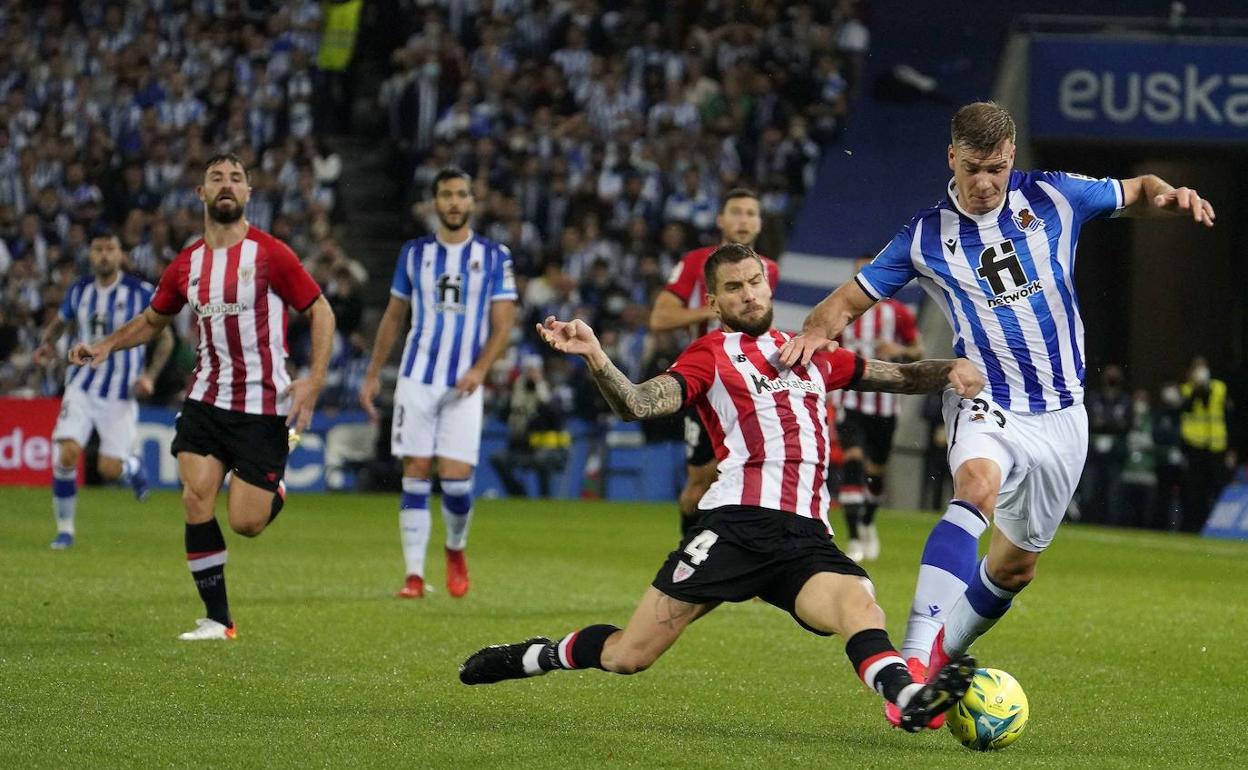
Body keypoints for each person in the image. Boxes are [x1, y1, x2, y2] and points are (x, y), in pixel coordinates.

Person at [779, 101, 1215, 729]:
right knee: (975, 487)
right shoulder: (925, 236)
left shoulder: (1057, 196)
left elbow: (1139, 189)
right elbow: (845, 302)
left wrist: (1171, 194)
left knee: (1015, 566)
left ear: (1014, 158)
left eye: (1000, 169)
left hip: (1064, 412)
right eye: (976, 168)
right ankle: (908, 673)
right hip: (988, 397)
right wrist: (812, 335)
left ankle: (937, 659)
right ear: (952, 158)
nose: (987, 183)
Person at [459, 243, 983, 734]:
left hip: (805, 540)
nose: (749, 294)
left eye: (755, 282)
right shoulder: (711, 354)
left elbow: (903, 376)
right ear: (713, 302)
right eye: (734, 288)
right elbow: (639, 403)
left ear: (769, 287)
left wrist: (953, 369)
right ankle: (537, 655)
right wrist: (598, 358)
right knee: (628, 655)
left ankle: (909, 697)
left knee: (861, 607)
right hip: (737, 527)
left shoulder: (813, 353)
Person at [68, 153, 336, 641]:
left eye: (236, 178)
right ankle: (219, 619)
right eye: (216, 177)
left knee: (246, 522)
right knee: (195, 497)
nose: (226, 184)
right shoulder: (188, 263)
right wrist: (105, 345)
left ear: (249, 193)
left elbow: (320, 311)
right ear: (202, 194)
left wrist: (314, 378)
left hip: (261, 406)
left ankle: (274, 487)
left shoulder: (270, 254)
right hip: (205, 400)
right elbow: (154, 320)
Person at [360, 167, 517, 599]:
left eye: (461, 195)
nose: (453, 202)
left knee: (456, 480)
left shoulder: (495, 256)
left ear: (472, 202)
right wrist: (373, 374)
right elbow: (394, 316)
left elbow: (503, 323)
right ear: (434, 203)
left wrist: (481, 369)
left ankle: (455, 547)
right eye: (445, 194)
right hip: (417, 377)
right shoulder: (413, 253)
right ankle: (413, 574)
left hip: (466, 382)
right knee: (415, 469)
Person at [648, 189, 780, 536]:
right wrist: (720, 305)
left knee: (755, 472)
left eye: (752, 213)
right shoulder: (697, 262)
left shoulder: (770, 269)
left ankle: (750, 559)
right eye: (736, 212)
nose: (744, 220)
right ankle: (687, 556)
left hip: (751, 384)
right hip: (708, 382)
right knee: (701, 480)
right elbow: (660, 317)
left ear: (760, 223)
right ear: (720, 220)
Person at [34, 231, 174, 549]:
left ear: (121, 254)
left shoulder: (140, 292)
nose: (104, 255)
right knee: (66, 453)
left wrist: (149, 376)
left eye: (110, 248)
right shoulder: (80, 290)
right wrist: (46, 344)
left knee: (108, 469)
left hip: (120, 393)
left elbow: (165, 337)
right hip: (81, 386)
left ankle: (131, 466)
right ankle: (65, 530)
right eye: (98, 249)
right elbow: (61, 323)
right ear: (90, 254)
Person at [832, 255, 923, 562]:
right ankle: (855, 536)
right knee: (854, 461)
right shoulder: (842, 313)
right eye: (858, 273)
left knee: (876, 471)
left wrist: (899, 350)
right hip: (851, 400)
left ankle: (868, 522)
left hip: (885, 403)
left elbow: (918, 352)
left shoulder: (897, 314)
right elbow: (827, 346)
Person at [1179, 356, 1232, 532]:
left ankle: (1220, 526)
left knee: (1217, 488)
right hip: (1195, 446)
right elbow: (1186, 407)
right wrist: (1197, 389)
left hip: (1216, 446)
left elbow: (1226, 413)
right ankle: (1195, 527)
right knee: (1195, 490)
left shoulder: (1219, 387)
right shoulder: (1187, 389)